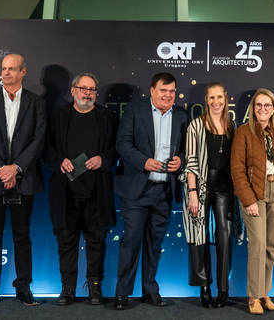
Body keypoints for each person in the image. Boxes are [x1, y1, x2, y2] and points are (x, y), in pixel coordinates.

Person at [0, 54, 46, 307]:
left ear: (23, 72)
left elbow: (38, 140)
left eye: (12, 69)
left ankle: (23, 287)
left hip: (23, 179)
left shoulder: (36, 103)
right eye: (3, 69)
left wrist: (15, 168)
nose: (6, 73)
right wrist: (0, 169)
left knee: (22, 235)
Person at [113, 72, 188, 310]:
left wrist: (181, 161)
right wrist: (143, 161)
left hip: (164, 191)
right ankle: (122, 293)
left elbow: (188, 150)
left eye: (172, 91)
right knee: (131, 242)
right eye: (164, 90)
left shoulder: (182, 116)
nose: (168, 95)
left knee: (154, 245)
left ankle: (150, 290)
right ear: (152, 90)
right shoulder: (135, 110)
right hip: (137, 190)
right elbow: (122, 143)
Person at [43, 73, 118, 306]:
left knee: (97, 242)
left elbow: (119, 148)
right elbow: (45, 147)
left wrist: (104, 159)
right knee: (66, 242)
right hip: (66, 192)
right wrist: (58, 161)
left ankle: (95, 287)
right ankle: (68, 289)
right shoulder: (58, 115)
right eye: (83, 88)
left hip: (98, 192)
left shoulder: (107, 116)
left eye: (92, 89)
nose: (87, 93)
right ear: (73, 91)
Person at [231, 88, 274, 315]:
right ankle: (253, 297)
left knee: (271, 247)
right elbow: (237, 170)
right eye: (258, 105)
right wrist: (248, 199)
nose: (262, 109)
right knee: (257, 245)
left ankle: (265, 293)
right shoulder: (243, 133)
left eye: (267, 105)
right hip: (254, 195)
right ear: (253, 108)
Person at [180, 82, 242, 309]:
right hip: (201, 186)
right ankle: (204, 288)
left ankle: (223, 290)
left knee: (224, 237)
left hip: (225, 186)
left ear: (225, 99)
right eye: (211, 97)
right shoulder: (195, 125)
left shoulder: (232, 125)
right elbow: (191, 161)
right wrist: (193, 193)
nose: (216, 102)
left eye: (220, 97)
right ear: (206, 100)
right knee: (199, 236)